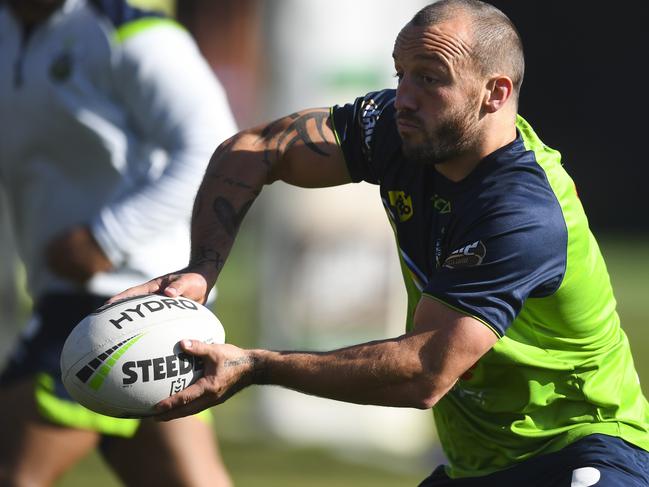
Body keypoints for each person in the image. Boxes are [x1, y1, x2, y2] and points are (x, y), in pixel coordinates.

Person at [112, 0, 649, 485]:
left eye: (429, 79)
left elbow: (424, 372)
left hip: (584, 452)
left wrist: (257, 366)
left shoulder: (521, 212)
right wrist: (201, 269)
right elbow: (256, 147)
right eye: (401, 74)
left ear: (495, 93)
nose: (404, 99)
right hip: (477, 465)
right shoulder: (399, 133)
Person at [0, 0, 237, 485]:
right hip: (72, 296)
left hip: (125, 301)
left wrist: (107, 237)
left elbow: (215, 147)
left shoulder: (132, 32)